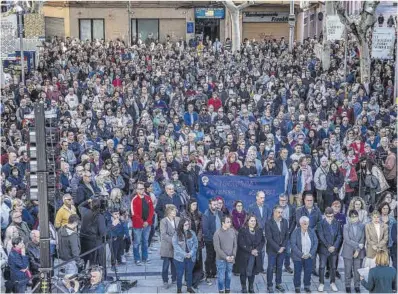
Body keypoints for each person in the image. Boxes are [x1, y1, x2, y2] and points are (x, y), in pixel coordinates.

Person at [236, 215, 265, 293]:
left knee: (253, 272)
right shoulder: (242, 230)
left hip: (255, 255)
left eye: (254, 221)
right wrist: (251, 251)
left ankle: (251, 287)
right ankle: (244, 287)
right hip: (244, 255)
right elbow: (240, 243)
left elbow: (262, 241)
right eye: (251, 221)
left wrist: (257, 250)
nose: (253, 222)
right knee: (243, 273)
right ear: (247, 221)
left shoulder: (259, 230)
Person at [265, 205, 289, 293]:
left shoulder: (285, 222)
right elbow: (269, 237)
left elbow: (287, 235)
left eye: (281, 212)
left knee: (279, 267)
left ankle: (278, 283)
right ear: (274, 212)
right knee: (270, 267)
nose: (280, 214)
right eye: (278, 212)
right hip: (272, 249)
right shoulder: (268, 222)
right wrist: (278, 248)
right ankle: (269, 285)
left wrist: (283, 247)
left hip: (282, 250)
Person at [291, 216, 318, 294]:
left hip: (309, 256)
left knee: (308, 272)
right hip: (298, 257)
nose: (305, 224)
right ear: (300, 223)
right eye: (304, 223)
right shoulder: (295, 232)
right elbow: (293, 245)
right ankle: (297, 287)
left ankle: (307, 286)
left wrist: (310, 253)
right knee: (297, 272)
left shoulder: (311, 231)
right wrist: (301, 254)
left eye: (307, 223)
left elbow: (316, 243)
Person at [317, 207, 342, 292]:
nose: (330, 218)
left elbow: (339, 236)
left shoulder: (337, 223)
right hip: (324, 249)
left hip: (334, 249)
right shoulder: (320, 223)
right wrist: (328, 246)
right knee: (322, 266)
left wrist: (334, 246)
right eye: (328, 216)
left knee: (333, 267)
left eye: (332, 216)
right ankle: (321, 283)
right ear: (325, 215)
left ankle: (332, 282)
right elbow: (321, 236)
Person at [181, 198, 203, 289]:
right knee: (189, 260)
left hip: (197, 239)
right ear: (189, 205)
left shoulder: (199, 214)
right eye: (193, 204)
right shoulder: (184, 214)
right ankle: (187, 279)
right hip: (188, 239)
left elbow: (201, 227)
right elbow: (182, 227)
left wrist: (198, 238)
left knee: (198, 259)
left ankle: (197, 277)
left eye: (196, 205)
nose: (195, 206)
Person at [341, 210, 366, 293]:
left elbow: (362, 239)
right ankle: (347, 286)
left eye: (356, 216)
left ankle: (357, 285)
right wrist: (358, 245)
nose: (354, 218)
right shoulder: (346, 226)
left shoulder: (362, 226)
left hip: (359, 252)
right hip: (348, 251)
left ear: (358, 216)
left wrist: (358, 250)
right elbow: (347, 240)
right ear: (349, 217)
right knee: (347, 270)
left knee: (357, 271)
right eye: (352, 216)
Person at [131, 182, 154, 266]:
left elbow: (151, 210)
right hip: (138, 225)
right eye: (140, 189)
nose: (141, 190)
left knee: (145, 241)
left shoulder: (148, 198)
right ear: (136, 190)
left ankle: (145, 257)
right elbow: (134, 214)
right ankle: (137, 258)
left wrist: (147, 221)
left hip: (147, 224)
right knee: (137, 242)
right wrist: (142, 222)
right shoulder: (134, 199)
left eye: (143, 188)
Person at [172, 217, 198, 294]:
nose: (187, 226)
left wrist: (191, 253)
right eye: (185, 225)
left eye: (188, 224)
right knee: (179, 274)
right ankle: (179, 289)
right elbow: (175, 246)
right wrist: (184, 254)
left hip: (190, 257)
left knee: (189, 273)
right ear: (181, 225)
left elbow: (195, 244)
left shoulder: (192, 233)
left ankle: (189, 288)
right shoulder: (176, 234)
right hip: (179, 258)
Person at [79, 198, 107, 268]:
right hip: (94, 243)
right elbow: (102, 232)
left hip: (83, 241)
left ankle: (82, 274)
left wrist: (87, 200)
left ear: (91, 205)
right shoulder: (100, 216)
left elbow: (80, 206)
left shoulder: (85, 211)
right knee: (93, 263)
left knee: (84, 261)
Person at [213, 215, 237, 294]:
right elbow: (217, 248)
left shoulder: (232, 231)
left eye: (230, 222)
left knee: (229, 276)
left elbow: (235, 245)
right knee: (221, 277)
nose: (230, 223)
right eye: (228, 222)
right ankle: (221, 291)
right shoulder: (217, 233)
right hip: (221, 260)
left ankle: (227, 290)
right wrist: (226, 257)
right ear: (223, 223)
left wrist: (233, 255)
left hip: (231, 258)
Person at [202, 198, 223, 285]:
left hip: (219, 239)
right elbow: (205, 230)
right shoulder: (206, 215)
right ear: (209, 205)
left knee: (216, 257)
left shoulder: (220, 213)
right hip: (210, 240)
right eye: (214, 204)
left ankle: (214, 273)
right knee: (209, 257)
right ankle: (208, 274)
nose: (215, 206)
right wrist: (213, 239)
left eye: (216, 204)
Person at [160, 204, 180, 289]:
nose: (174, 212)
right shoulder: (163, 221)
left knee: (174, 264)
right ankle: (165, 281)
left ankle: (174, 279)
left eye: (175, 211)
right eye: (173, 211)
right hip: (167, 246)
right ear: (168, 212)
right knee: (165, 265)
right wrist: (173, 240)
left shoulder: (178, 219)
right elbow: (163, 234)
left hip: (175, 246)